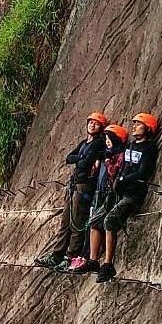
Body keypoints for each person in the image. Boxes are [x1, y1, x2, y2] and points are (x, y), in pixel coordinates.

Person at [84, 112, 158, 283]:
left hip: (133, 193)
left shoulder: (149, 148)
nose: (134, 126)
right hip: (118, 191)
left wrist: (124, 179)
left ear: (147, 128)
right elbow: (124, 166)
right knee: (95, 220)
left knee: (110, 221)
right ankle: (93, 260)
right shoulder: (131, 146)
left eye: (138, 124)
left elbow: (144, 171)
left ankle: (108, 264)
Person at [34, 112, 108, 270]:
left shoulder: (98, 143)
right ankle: (57, 254)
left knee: (77, 221)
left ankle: (71, 256)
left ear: (101, 127)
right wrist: (82, 156)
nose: (92, 125)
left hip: (84, 184)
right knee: (66, 221)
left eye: (96, 123)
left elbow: (85, 162)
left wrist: (81, 158)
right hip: (74, 183)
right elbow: (69, 158)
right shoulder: (83, 143)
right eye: (90, 122)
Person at [66, 124, 127, 273]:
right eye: (105, 138)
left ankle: (100, 261)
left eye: (109, 138)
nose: (107, 141)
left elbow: (113, 172)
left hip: (109, 195)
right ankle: (90, 259)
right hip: (99, 192)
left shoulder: (118, 156)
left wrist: (105, 160)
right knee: (92, 223)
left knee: (104, 223)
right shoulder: (104, 154)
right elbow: (70, 158)